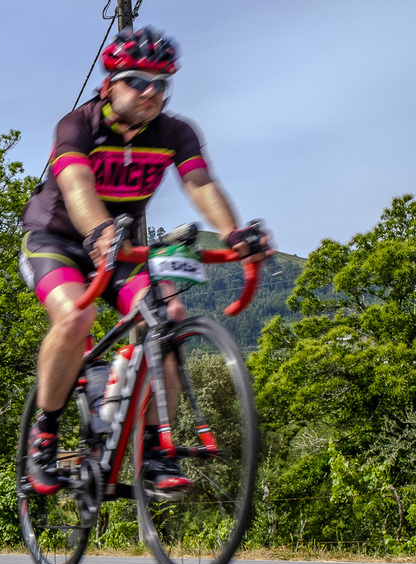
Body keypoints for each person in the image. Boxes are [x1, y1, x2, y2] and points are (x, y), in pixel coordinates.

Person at [18, 26, 272, 498]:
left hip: (123, 250)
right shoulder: (77, 125)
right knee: (76, 318)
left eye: (162, 84)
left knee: (166, 319)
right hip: (56, 241)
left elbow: (201, 184)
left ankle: (155, 452)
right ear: (109, 83)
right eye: (138, 80)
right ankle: (46, 434)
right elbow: (77, 186)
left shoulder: (176, 133)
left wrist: (235, 235)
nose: (152, 92)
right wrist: (97, 231)